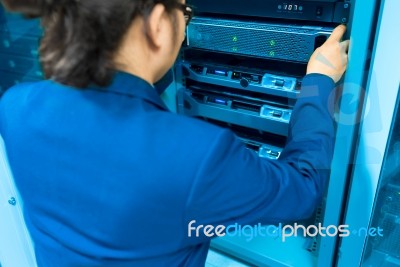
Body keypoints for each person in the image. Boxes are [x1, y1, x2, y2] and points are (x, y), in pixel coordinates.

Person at [0, 0, 349, 266]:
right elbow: (303, 191)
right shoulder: (197, 154)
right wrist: (318, 81)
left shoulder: (16, 107)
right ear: (156, 23)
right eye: (186, 13)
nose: (186, 26)